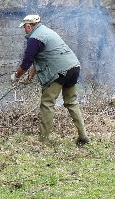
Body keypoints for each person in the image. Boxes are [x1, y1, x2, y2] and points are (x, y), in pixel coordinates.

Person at [11, 14, 89, 146]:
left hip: (59, 72)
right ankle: (83, 137)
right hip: (73, 67)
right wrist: (29, 78)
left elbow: (26, 63)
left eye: (24, 27)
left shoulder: (34, 38)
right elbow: (41, 59)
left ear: (29, 26)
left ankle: (43, 141)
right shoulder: (47, 32)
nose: (24, 29)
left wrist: (16, 76)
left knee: (47, 103)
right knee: (71, 102)